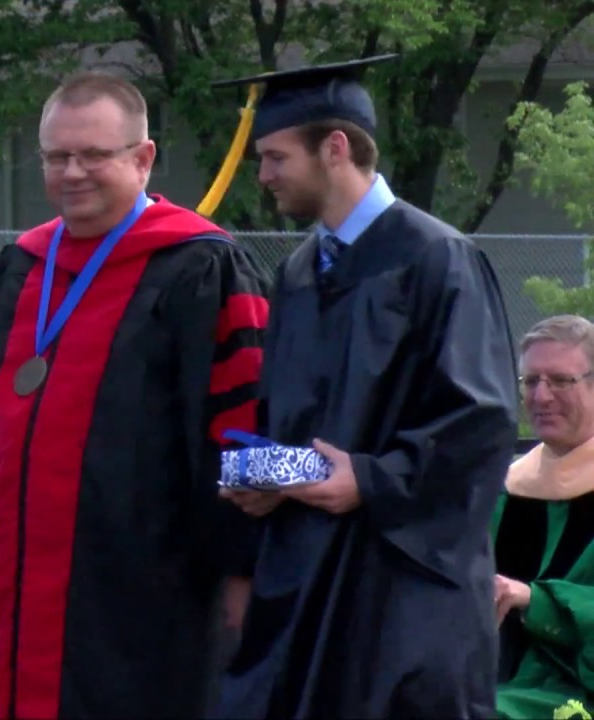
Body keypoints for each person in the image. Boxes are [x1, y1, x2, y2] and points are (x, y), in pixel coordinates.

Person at [0, 70, 271, 718]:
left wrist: (241, 572)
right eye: (57, 156)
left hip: (147, 596)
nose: (72, 172)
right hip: (17, 590)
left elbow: (241, 431)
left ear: (143, 158)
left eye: (93, 154)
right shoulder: (18, 270)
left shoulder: (200, 268)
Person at [211, 55, 520, 718]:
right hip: (305, 581)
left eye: (275, 157)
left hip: (400, 591)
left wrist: (372, 479)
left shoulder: (437, 257)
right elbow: (287, 415)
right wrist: (267, 476)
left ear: (335, 147)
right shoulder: (298, 273)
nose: (263, 175)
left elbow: (481, 423)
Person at [492, 315, 594, 720]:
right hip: (487, 674)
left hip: (572, 693)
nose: (541, 396)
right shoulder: (507, 487)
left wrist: (535, 600)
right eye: (531, 381)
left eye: (561, 381)